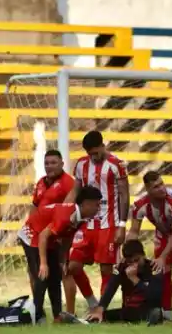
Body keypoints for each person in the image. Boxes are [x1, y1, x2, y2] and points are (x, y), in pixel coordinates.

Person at [63, 131, 129, 314]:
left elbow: (124, 194)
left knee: (106, 269)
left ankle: (101, 310)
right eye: (89, 153)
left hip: (109, 223)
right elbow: (75, 191)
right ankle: (92, 303)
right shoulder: (81, 165)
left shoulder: (116, 165)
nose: (93, 157)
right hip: (86, 223)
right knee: (73, 266)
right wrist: (63, 211)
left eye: (95, 152)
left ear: (102, 146)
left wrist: (122, 225)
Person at [21, 186, 103, 323]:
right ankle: (37, 316)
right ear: (86, 204)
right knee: (43, 276)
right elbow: (43, 236)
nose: (98, 209)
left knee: (56, 276)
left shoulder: (80, 218)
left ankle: (57, 316)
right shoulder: (66, 217)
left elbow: (67, 238)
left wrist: (63, 259)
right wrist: (43, 263)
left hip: (48, 238)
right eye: (96, 205)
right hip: (32, 234)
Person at [128, 170, 172, 323]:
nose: (162, 188)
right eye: (156, 187)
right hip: (163, 235)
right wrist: (127, 253)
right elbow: (133, 231)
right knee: (162, 273)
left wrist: (163, 257)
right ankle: (166, 313)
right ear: (148, 189)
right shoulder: (140, 205)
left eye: (162, 184)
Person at [19, 150, 74, 290]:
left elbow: (71, 209)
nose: (49, 166)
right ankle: (38, 302)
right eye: (47, 163)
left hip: (54, 233)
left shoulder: (68, 183)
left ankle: (63, 304)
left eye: (53, 163)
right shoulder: (41, 182)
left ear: (62, 164)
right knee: (34, 271)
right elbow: (34, 206)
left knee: (61, 271)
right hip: (37, 233)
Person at [85, 240, 164, 325]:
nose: (134, 265)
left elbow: (155, 297)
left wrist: (135, 279)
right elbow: (111, 288)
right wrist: (100, 309)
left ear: (143, 255)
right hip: (128, 310)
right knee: (103, 315)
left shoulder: (154, 267)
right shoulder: (121, 267)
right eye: (130, 262)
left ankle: (154, 318)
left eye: (137, 260)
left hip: (147, 309)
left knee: (155, 312)